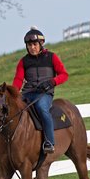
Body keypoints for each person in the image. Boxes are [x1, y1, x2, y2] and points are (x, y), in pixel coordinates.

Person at [12, 26, 69, 154]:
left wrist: (52, 82)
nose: (32, 47)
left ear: (41, 44)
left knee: (41, 108)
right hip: (27, 93)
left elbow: (64, 75)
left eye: (34, 44)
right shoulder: (23, 61)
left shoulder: (51, 57)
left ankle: (49, 142)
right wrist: (13, 95)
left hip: (44, 94)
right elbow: (18, 80)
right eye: (29, 45)